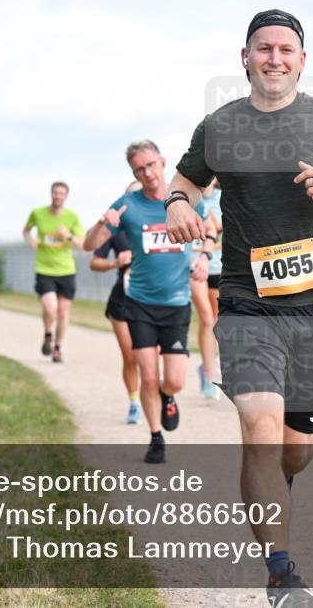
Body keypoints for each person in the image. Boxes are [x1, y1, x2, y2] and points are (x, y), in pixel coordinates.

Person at [165, 9, 313, 607]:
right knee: (260, 434)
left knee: (296, 450)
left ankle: (280, 485)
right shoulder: (219, 126)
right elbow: (184, 182)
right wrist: (177, 205)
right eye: (263, 48)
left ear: (302, 60)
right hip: (246, 305)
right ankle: (281, 574)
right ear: (245, 58)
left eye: (285, 49)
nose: (274, 58)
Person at [84, 140, 210, 464]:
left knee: (175, 380)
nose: (147, 173)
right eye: (139, 169)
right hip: (139, 302)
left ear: (163, 162)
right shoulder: (127, 205)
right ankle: (156, 437)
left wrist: (205, 257)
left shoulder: (183, 199)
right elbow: (89, 245)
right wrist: (102, 223)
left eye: (151, 165)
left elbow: (210, 228)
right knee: (148, 376)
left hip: (177, 302)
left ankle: (168, 396)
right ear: (134, 173)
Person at [90, 181, 140, 424]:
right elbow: (94, 261)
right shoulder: (116, 230)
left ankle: (159, 395)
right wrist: (115, 262)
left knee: (151, 358)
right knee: (130, 357)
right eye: (133, 196)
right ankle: (134, 402)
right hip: (122, 298)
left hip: (155, 300)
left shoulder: (160, 223)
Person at [24, 182, 85, 363]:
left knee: (63, 312)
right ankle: (47, 334)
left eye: (62, 194)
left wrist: (68, 235)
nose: (58, 196)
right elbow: (26, 231)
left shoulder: (72, 217)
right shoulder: (38, 213)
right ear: (51, 194)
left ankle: (57, 348)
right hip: (44, 268)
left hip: (66, 270)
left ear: (66, 196)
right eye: (55, 193)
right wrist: (31, 241)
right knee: (50, 307)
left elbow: (82, 244)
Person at [196, 179, 223, 398]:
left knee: (215, 320)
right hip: (194, 263)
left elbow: (220, 227)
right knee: (206, 318)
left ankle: (207, 363)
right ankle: (209, 373)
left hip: (218, 265)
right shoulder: (189, 198)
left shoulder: (223, 198)